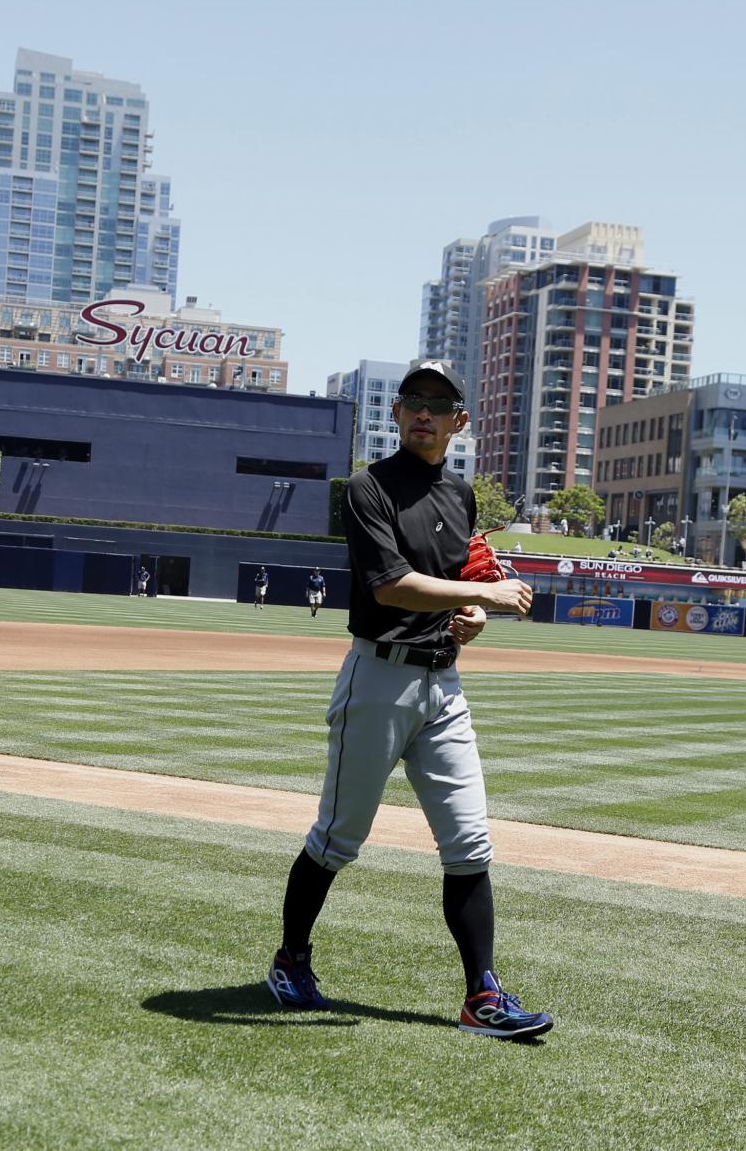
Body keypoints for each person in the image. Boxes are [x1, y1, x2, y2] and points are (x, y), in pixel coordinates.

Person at [267, 360, 550, 1038]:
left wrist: (474, 617)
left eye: (440, 403)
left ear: (461, 421)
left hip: (442, 681)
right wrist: (485, 595)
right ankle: (291, 960)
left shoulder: (462, 496)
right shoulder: (369, 488)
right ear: (395, 414)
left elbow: (463, 578)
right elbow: (391, 585)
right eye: (414, 401)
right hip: (378, 676)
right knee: (337, 838)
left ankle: (482, 994)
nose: (425, 412)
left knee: (470, 841)